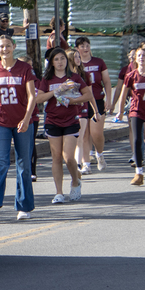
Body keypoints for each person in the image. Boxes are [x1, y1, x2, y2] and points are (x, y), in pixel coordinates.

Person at [0, 35, 38, 221]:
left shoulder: (25, 68)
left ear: (14, 47)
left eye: (8, 46)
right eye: (1, 46)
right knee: (0, 163)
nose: (5, 49)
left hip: (23, 122)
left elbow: (32, 96)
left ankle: (24, 206)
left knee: (24, 164)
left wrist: (26, 118)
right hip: (1, 122)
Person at [35, 47, 91, 204]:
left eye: (62, 58)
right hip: (52, 120)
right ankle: (59, 192)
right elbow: (39, 99)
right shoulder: (47, 79)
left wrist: (73, 100)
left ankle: (75, 181)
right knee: (56, 157)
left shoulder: (74, 77)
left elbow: (87, 95)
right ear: (52, 62)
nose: (60, 62)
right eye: (56, 59)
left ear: (67, 61)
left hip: (71, 120)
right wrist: (56, 91)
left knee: (68, 157)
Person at [116, 46, 145, 185]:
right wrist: (119, 111)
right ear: (135, 59)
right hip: (136, 110)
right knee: (137, 140)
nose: (142, 58)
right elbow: (123, 93)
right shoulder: (131, 75)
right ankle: (138, 173)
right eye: (139, 56)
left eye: (144, 55)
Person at [75, 36, 111, 171]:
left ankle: (99, 154)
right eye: (82, 46)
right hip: (82, 103)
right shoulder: (76, 65)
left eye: (87, 45)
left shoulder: (98, 62)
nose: (85, 48)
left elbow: (106, 81)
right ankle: (86, 164)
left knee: (96, 133)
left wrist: (109, 99)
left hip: (98, 101)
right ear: (77, 49)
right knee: (84, 134)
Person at [67, 48, 100, 175]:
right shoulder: (65, 76)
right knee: (72, 139)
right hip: (69, 110)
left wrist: (96, 111)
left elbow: (90, 94)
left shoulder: (84, 75)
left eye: (79, 57)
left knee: (80, 137)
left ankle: (79, 165)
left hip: (82, 109)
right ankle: (75, 163)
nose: (78, 59)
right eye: (75, 57)